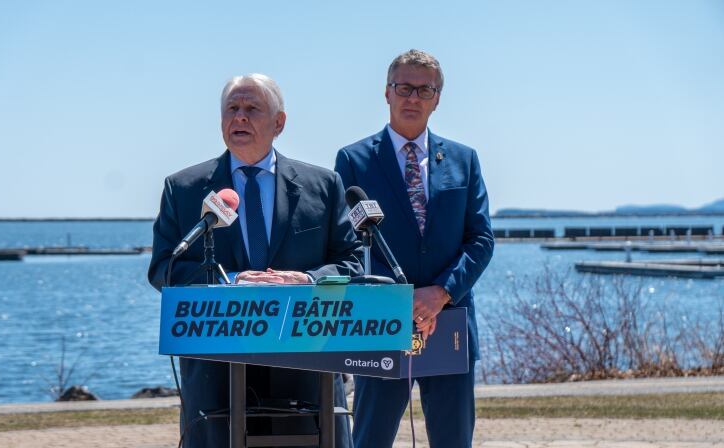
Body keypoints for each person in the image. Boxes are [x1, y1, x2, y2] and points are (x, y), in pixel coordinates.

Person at [148, 73, 361, 447]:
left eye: (252, 109)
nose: (240, 117)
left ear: (279, 122)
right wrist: (229, 281)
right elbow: (164, 269)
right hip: (218, 378)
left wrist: (307, 280)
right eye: (232, 108)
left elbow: (351, 261)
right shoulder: (182, 189)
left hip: (306, 375)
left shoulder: (323, 186)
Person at [334, 49, 494, 448]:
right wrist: (395, 299)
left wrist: (440, 293)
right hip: (380, 324)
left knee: (454, 441)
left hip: (450, 323)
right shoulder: (353, 161)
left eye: (425, 90)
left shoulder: (464, 160)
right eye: (403, 87)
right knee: (369, 440)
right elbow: (345, 243)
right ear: (386, 93)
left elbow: (481, 239)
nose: (413, 97)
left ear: (438, 98)